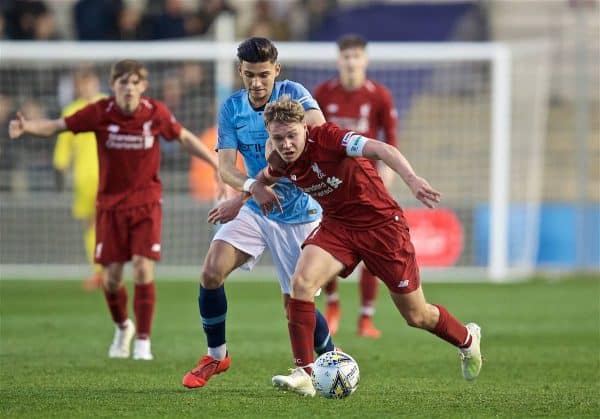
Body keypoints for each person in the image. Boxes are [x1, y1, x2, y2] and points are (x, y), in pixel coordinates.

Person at [254, 96, 482, 397]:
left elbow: (382, 149)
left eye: (291, 135)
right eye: (278, 138)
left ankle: (467, 339)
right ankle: (305, 372)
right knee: (301, 283)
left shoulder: (330, 138)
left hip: (382, 227)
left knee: (416, 315)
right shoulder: (281, 160)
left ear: (305, 129)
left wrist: (411, 180)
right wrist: (253, 190)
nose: (286, 144)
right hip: (338, 226)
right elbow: (263, 179)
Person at [9, 59, 222, 361]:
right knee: (111, 279)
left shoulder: (155, 113)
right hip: (110, 207)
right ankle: (124, 326)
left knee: (142, 268)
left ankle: (143, 343)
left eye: (135, 82)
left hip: (146, 204)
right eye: (123, 82)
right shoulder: (100, 112)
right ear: (114, 86)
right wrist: (28, 126)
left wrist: (214, 164)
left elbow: (184, 137)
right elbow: (59, 126)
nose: (129, 88)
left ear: (143, 86)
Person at [181, 37, 337, 389]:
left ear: (276, 71)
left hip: (297, 211)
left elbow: (319, 128)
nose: (256, 82)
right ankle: (217, 356)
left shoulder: (294, 93)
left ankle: (332, 357)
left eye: (263, 74)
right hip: (256, 204)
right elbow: (225, 168)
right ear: (240, 72)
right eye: (249, 74)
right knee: (210, 271)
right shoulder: (232, 108)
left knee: (295, 305)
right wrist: (251, 189)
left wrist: (268, 173)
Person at [313, 33, 398, 339]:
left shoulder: (379, 96)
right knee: (326, 241)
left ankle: (366, 318)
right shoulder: (322, 93)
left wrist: (386, 169)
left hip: (367, 184)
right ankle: (333, 305)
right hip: (330, 181)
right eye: (345, 56)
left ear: (365, 59)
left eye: (356, 56)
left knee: (372, 246)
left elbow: (390, 135)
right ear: (339, 60)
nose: (350, 62)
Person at [53, 68, 106, 291]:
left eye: (89, 82)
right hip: (84, 179)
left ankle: (108, 269)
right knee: (91, 224)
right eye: (81, 83)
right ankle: (100, 272)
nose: (85, 87)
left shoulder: (108, 105)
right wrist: (60, 171)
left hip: (111, 174)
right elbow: (62, 151)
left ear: (96, 83)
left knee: (109, 222)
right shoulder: (72, 111)